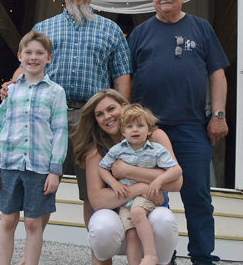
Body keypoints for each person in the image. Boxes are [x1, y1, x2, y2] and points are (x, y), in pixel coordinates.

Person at [2, 0, 132, 226]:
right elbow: (29, 63)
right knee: (42, 187)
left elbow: (122, 77)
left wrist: (123, 117)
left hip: (92, 120)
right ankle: (32, 254)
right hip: (48, 117)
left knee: (94, 193)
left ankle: (98, 256)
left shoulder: (112, 30)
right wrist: (12, 84)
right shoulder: (44, 28)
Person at [129, 0, 229, 265]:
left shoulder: (201, 28)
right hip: (149, 131)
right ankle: (164, 256)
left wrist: (218, 115)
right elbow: (127, 77)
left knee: (197, 195)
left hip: (191, 128)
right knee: (155, 196)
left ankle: (202, 256)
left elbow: (217, 73)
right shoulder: (141, 33)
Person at [0, 31, 68, 265]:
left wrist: (55, 170)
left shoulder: (56, 92)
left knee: (33, 222)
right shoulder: (11, 91)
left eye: (40, 53)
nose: (34, 57)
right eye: (29, 53)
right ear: (20, 56)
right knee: (7, 220)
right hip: (10, 165)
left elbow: (60, 131)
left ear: (49, 58)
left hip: (39, 168)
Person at [74, 89, 182, 265]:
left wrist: (126, 171)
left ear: (125, 106)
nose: (107, 116)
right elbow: (98, 201)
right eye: (100, 114)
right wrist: (140, 188)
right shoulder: (96, 151)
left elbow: (177, 182)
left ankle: (157, 259)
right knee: (101, 225)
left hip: (150, 214)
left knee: (164, 219)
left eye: (111, 109)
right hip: (118, 219)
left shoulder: (154, 137)